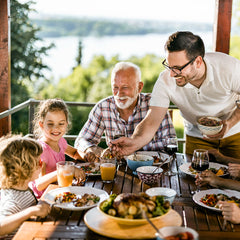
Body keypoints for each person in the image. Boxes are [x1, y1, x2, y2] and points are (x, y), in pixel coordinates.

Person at [111, 31, 240, 158]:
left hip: (235, 131)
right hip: (196, 135)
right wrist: (134, 143)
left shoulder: (230, 68)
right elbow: (152, 120)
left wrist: (230, 123)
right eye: (169, 66)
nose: (172, 74)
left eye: (178, 68)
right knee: (195, 177)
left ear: (198, 62)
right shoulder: (165, 80)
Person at [74, 61, 176, 159]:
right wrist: (93, 149)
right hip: (117, 170)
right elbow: (81, 140)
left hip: (150, 169)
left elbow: (170, 143)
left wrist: (134, 147)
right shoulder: (103, 107)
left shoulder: (155, 104)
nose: (119, 93)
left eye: (125, 87)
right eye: (115, 87)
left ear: (139, 87)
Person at [30, 98, 91, 198]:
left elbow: (75, 153)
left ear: (66, 124)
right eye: (50, 124)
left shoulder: (61, 141)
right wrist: (67, 170)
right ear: (41, 125)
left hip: (59, 190)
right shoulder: (42, 149)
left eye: (61, 123)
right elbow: (39, 185)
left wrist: (88, 156)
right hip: (44, 198)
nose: (56, 128)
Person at [0, 135, 51, 236]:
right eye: (39, 162)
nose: (42, 165)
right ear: (24, 168)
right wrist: (31, 211)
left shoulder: (24, 187)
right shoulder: (13, 200)